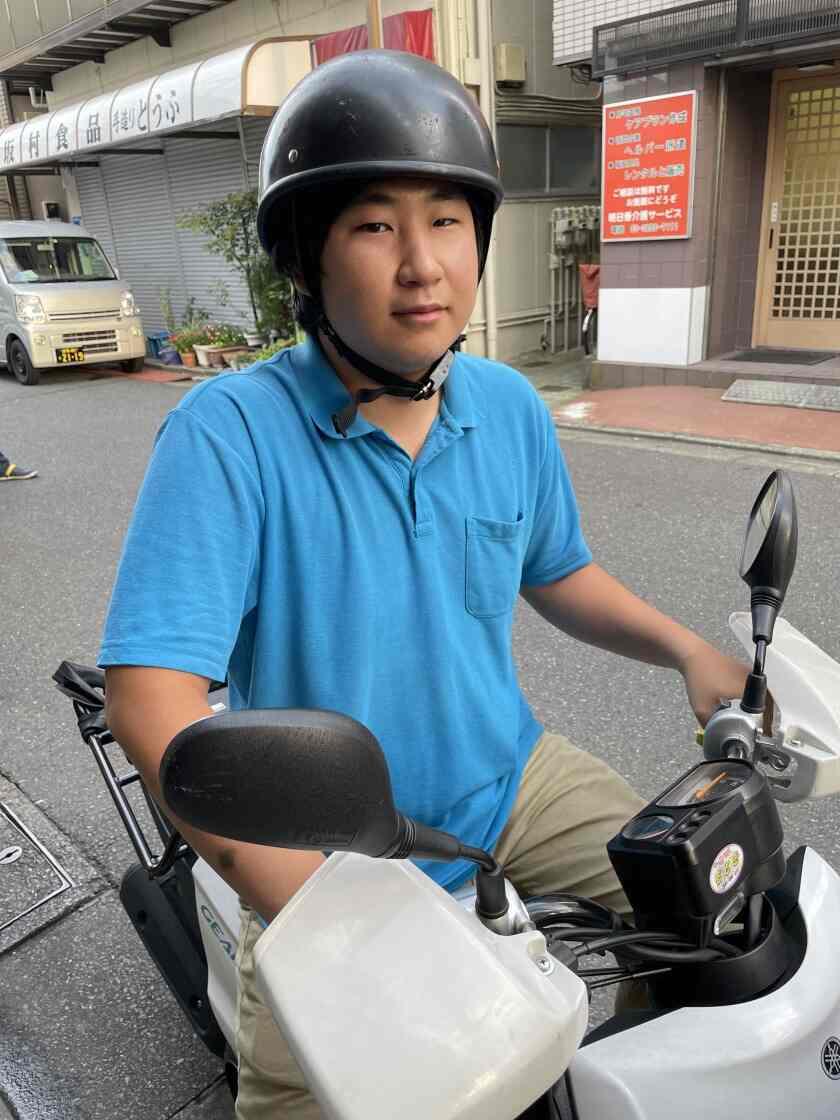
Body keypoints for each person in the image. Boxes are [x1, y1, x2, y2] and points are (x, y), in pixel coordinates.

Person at [99, 51, 753, 1120]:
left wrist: (690, 651)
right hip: (327, 848)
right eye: (374, 225)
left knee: (710, 909)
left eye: (447, 221)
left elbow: (558, 569)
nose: (422, 266)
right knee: (319, 1096)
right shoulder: (228, 434)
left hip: (509, 779)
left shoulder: (509, 407)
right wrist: (326, 917)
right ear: (306, 256)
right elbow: (151, 699)